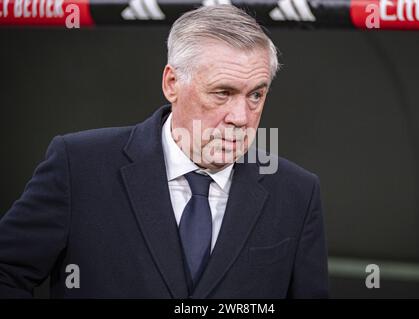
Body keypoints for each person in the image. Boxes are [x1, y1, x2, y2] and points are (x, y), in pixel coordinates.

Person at [0, 5, 328, 298]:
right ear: (172, 83)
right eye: (222, 93)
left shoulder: (297, 192)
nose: (241, 117)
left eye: (256, 95)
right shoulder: (79, 166)